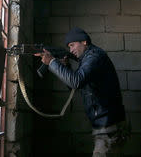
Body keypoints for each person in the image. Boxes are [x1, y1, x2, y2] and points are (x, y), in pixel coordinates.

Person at [35, 27, 126, 156]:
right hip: (105, 125)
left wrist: (52, 62)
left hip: (109, 126)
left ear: (84, 42)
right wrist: (65, 66)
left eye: (72, 45)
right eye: (69, 47)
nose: (71, 50)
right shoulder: (87, 59)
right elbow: (75, 86)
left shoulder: (94, 56)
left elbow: (75, 81)